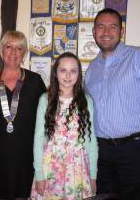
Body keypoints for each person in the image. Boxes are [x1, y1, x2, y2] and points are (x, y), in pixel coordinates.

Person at [85, 8, 140, 200]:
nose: (106, 32)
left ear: (122, 31)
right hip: (102, 154)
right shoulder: (91, 69)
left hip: (135, 151)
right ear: (94, 32)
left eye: (113, 27)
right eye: (100, 27)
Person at [0, 30, 46, 200]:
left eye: (19, 48)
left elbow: (46, 118)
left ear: (24, 53)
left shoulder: (35, 81)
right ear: (1, 51)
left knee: (23, 196)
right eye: (8, 47)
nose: (13, 52)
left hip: (27, 154)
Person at [31, 52, 98, 200]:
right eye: (63, 70)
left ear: (79, 74)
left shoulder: (86, 101)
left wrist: (93, 175)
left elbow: (91, 140)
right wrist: (39, 174)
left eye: (73, 71)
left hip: (77, 169)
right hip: (50, 167)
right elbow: (38, 139)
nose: (68, 76)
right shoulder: (45, 99)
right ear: (55, 72)